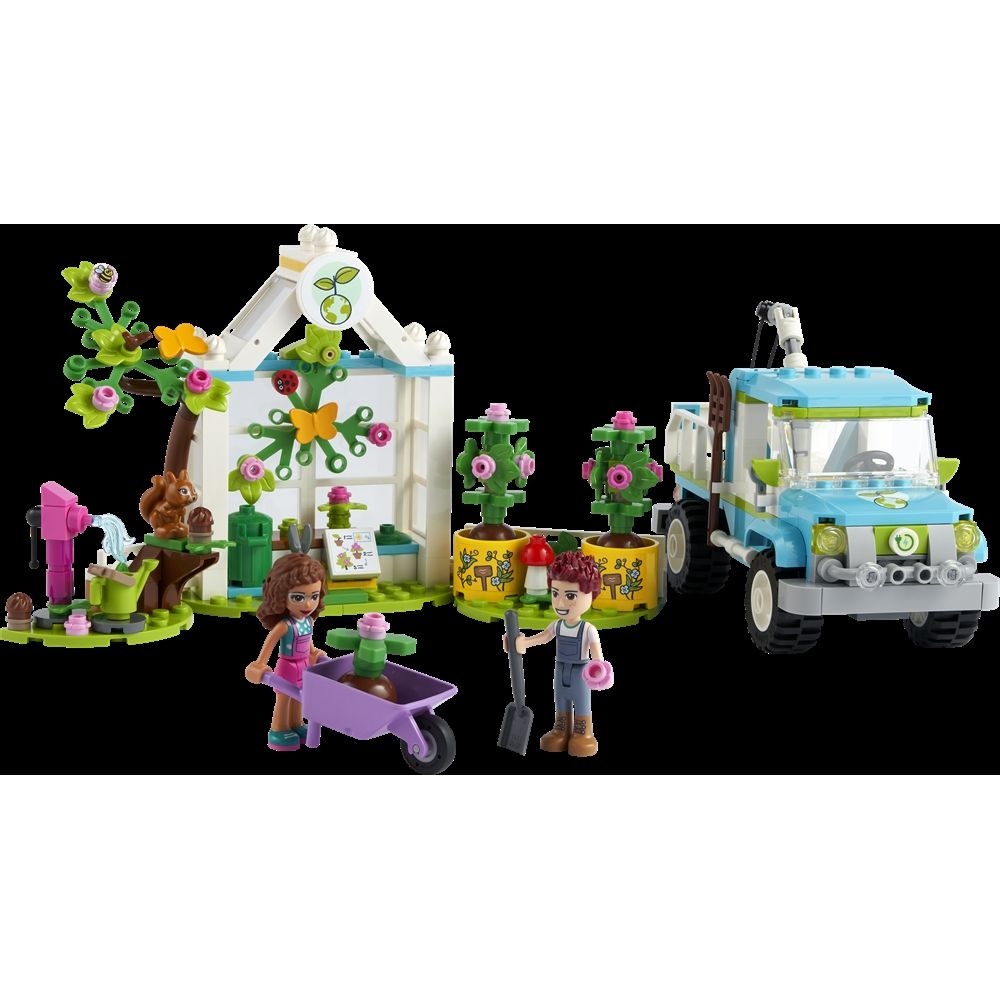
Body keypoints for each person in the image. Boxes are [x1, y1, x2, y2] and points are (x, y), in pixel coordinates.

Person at [503, 550, 613, 757]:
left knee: (581, 701)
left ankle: (583, 731)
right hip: (560, 668)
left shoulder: (587, 629)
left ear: (590, 594)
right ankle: (561, 728)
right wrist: (522, 643)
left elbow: (597, 656)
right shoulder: (557, 625)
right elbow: (544, 637)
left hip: (580, 671)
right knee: (561, 699)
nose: (560, 603)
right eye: (555, 594)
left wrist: (598, 668)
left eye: (570, 596)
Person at [245, 553, 326, 751]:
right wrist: (260, 664)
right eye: (298, 597)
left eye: (314, 596)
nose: (308, 604)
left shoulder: (308, 621)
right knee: (284, 698)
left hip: (304, 666)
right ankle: (279, 729)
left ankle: (296, 724)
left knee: (301, 696)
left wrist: (313, 653)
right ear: (282, 597)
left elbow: (308, 642)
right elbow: (269, 644)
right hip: (287, 667)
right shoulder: (285, 625)